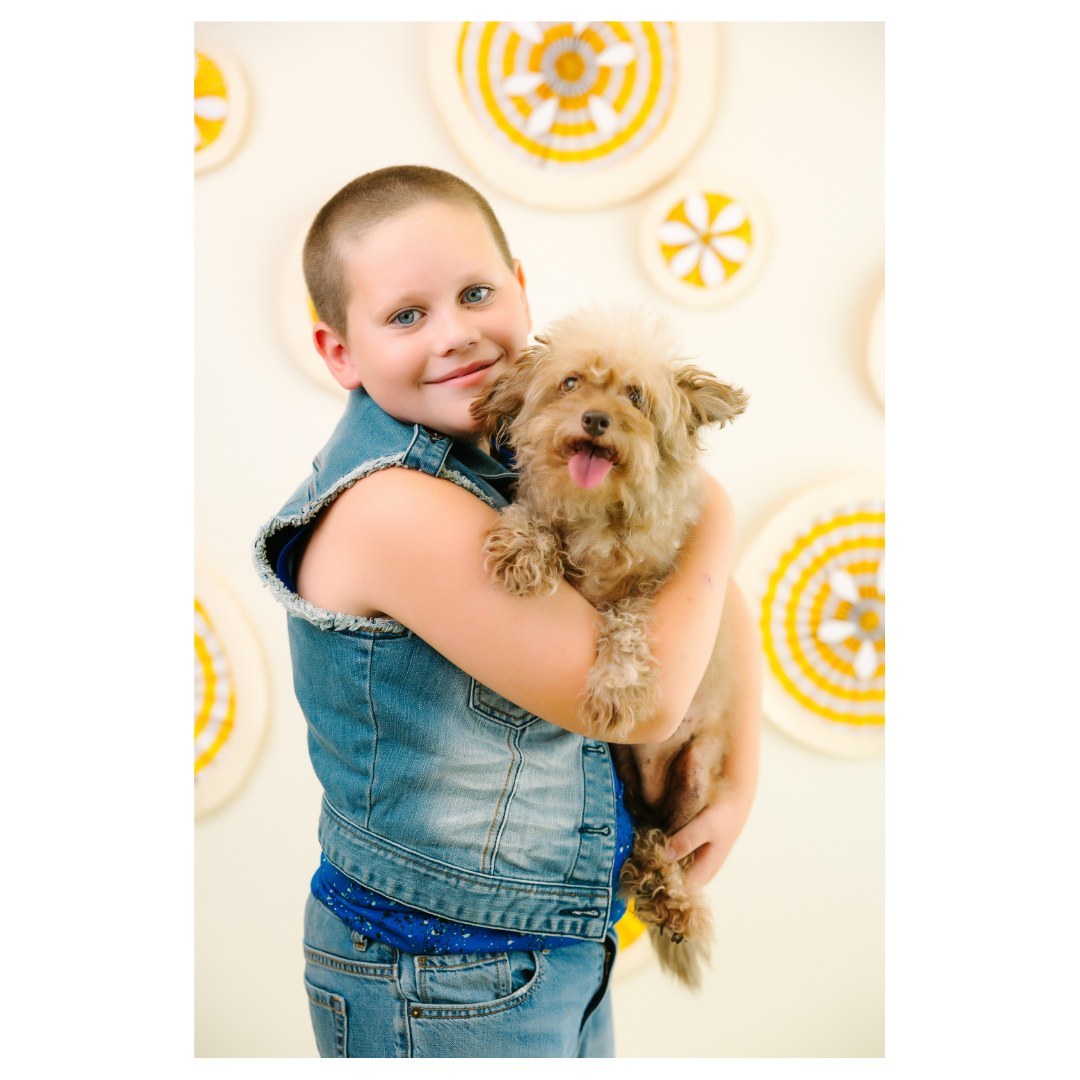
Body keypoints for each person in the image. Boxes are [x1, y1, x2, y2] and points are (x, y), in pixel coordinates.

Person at [253, 164, 761, 1058]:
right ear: (339, 351)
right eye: (407, 316)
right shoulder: (394, 509)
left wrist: (738, 776)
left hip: (548, 944)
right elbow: (635, 699)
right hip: (445, 973)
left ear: (521, 288)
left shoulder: (524, 452)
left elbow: (711, 604)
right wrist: (711, 507)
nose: (454, 335)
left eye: (475, 293)